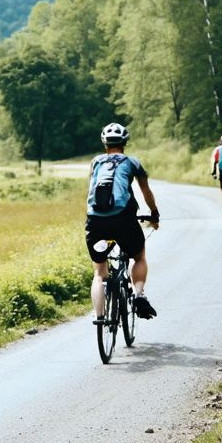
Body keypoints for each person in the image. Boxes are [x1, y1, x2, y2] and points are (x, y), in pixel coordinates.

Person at [85, 122, 160, 324]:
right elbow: (146, 191)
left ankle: (99, 317)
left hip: (95, 221)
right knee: (138, 256)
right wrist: (154, 213)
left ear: (105, 144)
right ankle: (138, 295)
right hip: (124, 221)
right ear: (124, 142)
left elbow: (91, 189)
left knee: (99, 272)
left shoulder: (95, 162)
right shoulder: (132, 162)